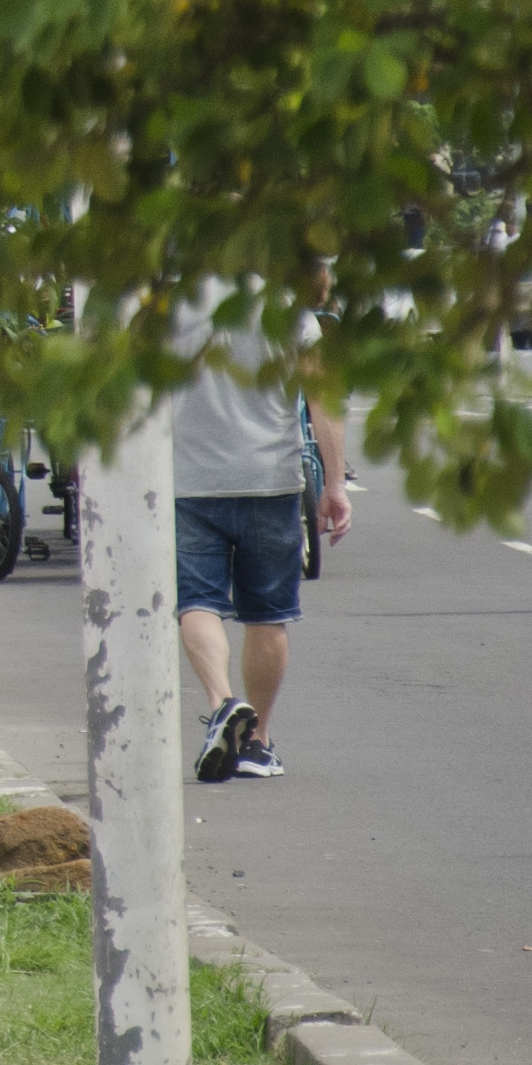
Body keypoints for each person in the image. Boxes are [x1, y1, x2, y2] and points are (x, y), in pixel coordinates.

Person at [164, 300, 358, 783]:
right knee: (268, 615)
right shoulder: (289, 309)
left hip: (190, 481)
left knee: (197, 602)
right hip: (270, 481)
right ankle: (258, 742)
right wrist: (335, 485)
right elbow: (322, 400)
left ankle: (222, 703)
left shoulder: (171, 302)